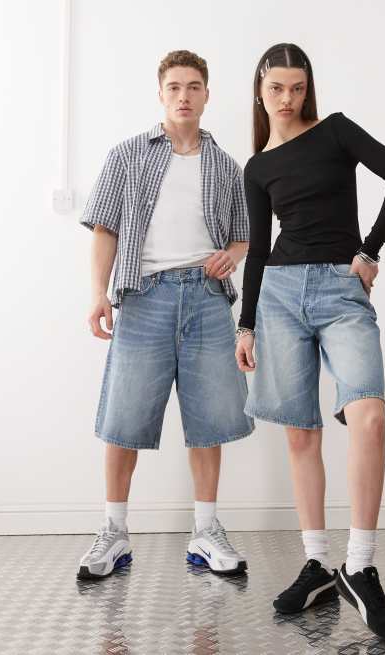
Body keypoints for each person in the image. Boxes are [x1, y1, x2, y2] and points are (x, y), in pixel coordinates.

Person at [235, 43, 385, 643]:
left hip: (342, 290)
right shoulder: (257, 167)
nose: (287, 99)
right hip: (280, 295)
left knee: (369, 417)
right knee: (300, 432)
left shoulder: (336, 131)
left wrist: (369, 250)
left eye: (297, 88)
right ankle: (316, 564)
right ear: (260, 91)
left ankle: (358, 567)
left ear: (308, 88)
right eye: (276, 89)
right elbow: (257, 250)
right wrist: (246, 323)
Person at [78, 50, 254, 580]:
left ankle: (206, 530)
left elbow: (243, 236)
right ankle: (114, 532)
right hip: (144, 298)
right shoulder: (127, 155)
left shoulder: (226, 166)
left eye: (193, 87)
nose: (184, 96)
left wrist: (232, 256)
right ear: (161, 94)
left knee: (210, 420)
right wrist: (98, 293)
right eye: (174, 87)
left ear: (206, 95)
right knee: (123, 418)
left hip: (206, 298)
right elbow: (105, 228)